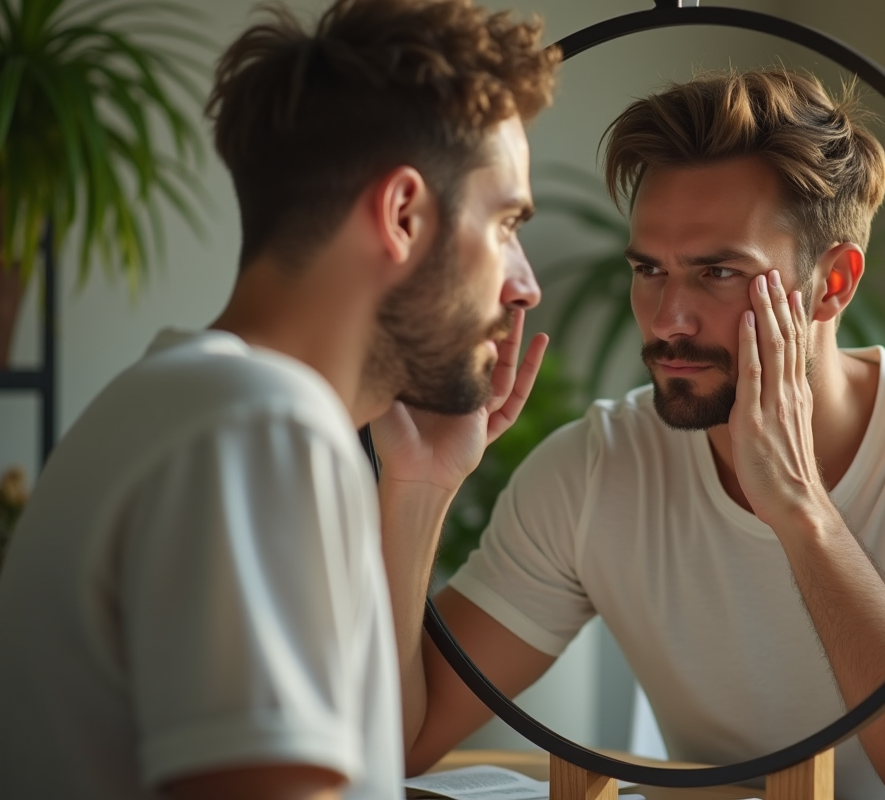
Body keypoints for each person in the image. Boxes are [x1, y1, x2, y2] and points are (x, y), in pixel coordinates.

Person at [395, 68, 885, 800]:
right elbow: (399, 740)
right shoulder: (594, 469)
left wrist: (803, 513)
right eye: (649, 269)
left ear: (835, 282)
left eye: (719, 272)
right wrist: (419, 485)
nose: (668, 319)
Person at [0, 1, 559, 798]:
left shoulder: (183, 401)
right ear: (403, 215)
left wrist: (424, 485)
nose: (525, 284)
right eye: (506, 224)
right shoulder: (259, 425)